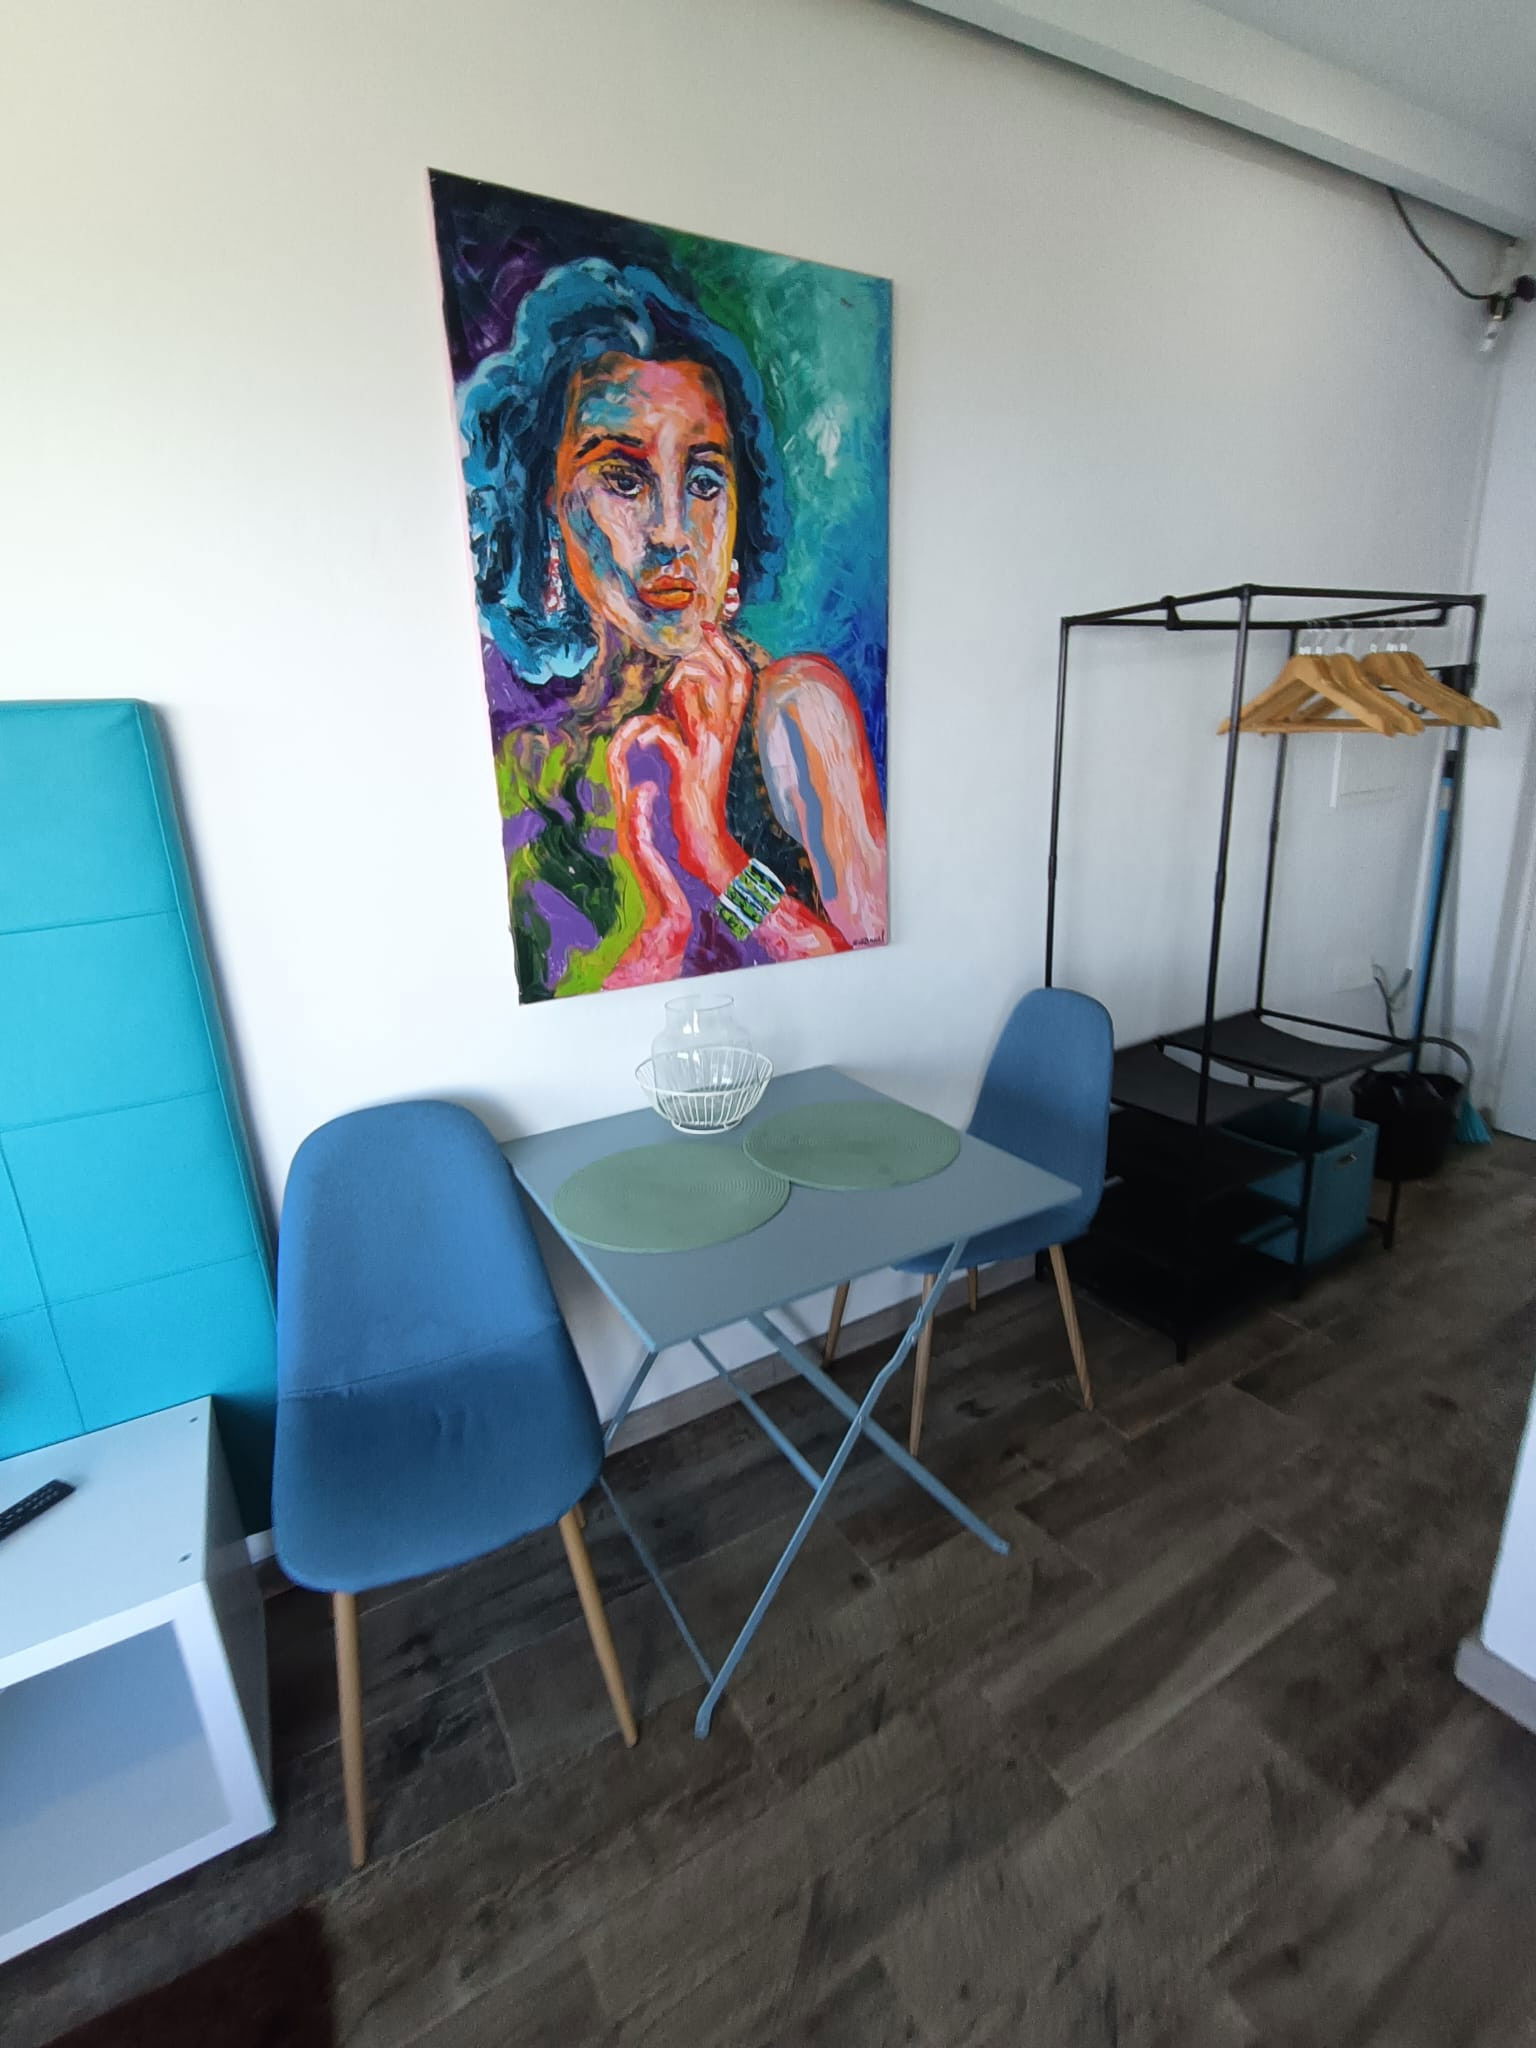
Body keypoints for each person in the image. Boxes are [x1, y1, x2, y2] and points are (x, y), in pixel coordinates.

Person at [458, 258, 888, 1000]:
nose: (672, 531)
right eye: (624, 480)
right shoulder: (526, 766)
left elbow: (871, 974)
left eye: (704, 481)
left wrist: (712, 853)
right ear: (547, 510)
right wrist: (665, 925)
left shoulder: (796, 710)